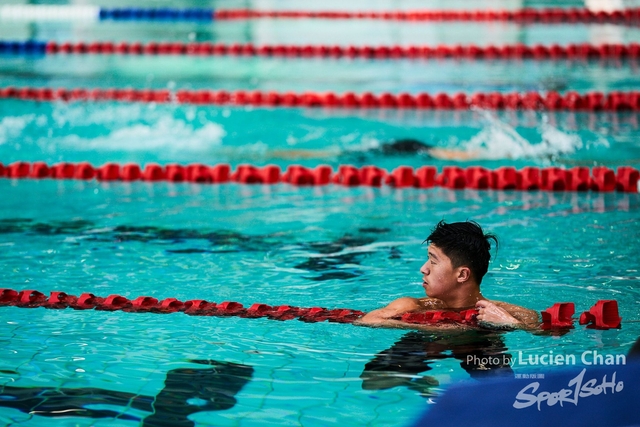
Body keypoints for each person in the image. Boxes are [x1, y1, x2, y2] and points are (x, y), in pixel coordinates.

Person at [356, 220, 540, 330]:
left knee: (498, 385)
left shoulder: (510, 313)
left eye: (433, 261)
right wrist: (437, 327)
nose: (423, 268)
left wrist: (510, 323)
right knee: (377, 378)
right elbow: (367, 319)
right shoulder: (412, 306)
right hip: (426, 342)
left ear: (462, 275)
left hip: (480, 344)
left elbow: (549, 332)